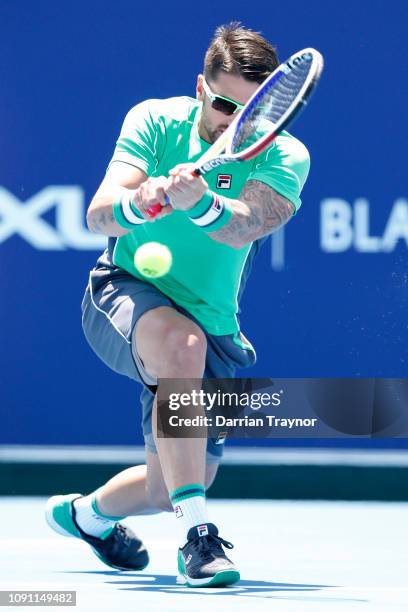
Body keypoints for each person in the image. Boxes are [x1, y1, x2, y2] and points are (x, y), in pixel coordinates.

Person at [45, 22, 310, 587]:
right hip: (123, 289)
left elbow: (247, 225)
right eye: (221, 103)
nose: (231, 121)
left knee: (172, 483)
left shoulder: (286, 154)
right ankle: (199, 540)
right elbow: (99, 214)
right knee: (181, 347)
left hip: (211, 318)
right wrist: (139, 205)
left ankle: (84, 517)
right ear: (199, 87)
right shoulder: (153, 120)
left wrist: (202, 202)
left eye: (248, 112)